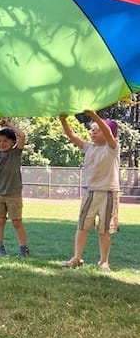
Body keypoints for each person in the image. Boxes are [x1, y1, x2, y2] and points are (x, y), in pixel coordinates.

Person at [59, 112, 119, 270]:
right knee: (82, 226)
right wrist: (63, 120)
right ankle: (76, 258)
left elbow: (108, 133)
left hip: (108, 193)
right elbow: (72, 135)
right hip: (90, 192)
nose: (93, 132)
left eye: (98, 130)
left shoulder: (112, 148)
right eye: (92, 130)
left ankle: (104, 261)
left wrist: (94, 115)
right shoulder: (89, 147)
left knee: (104, 229)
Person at [0, 119, 30, 257]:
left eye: (5, 141)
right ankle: (0, 248)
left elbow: (22, 136)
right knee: (0, 221)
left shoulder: (15, 153)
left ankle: (23, 249)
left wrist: (8, 124)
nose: (1, 143)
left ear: (13, 142)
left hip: (13, 194)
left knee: (17, 222)